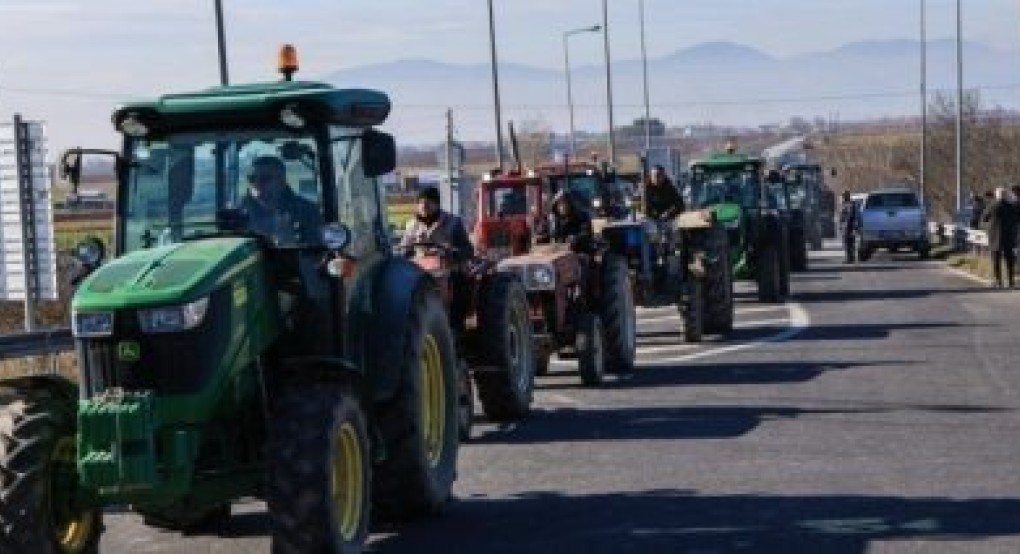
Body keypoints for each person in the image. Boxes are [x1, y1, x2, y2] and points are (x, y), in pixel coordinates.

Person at [241, 155, 322, 244]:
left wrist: (291, 242)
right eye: (252, 179)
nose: (257, 184)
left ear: (282, 182)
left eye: (265, 178)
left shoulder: (307, 212)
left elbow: (317, 252)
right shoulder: (238, 215)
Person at [400, 186, 474, 262]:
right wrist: (415, 250)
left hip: (447, 270)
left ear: (437, 204)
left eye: (428, 202)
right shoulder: (411, 226)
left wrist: (449, 253)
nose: (424, 206)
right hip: (418, 271)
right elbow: (403, 252)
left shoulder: (453, 223)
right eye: (421, 202)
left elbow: (468, 251)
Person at [980, 187, 1018, 289]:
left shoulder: (992, 206)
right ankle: (1011, 281)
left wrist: (987, 227)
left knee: (996, 259)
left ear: (997, 195)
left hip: (994, 237)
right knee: (1009, 259)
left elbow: (984, 218)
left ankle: (998, 281)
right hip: (1009, 236)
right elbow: (1017, 219)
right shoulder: (1011, 207)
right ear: (1005, 195)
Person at [837, 190, 859, 264]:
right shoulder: (843, 204)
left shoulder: (851, 204)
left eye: (844, 196)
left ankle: (850, 258)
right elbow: (841, 216)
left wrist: (854, 227)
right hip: (845, 227)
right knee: (846, 243)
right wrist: (840, 225)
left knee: (849, 243)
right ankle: (849, 258)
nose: (843, 197)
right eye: (843, 196)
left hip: (849, 226)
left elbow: (851, 216)